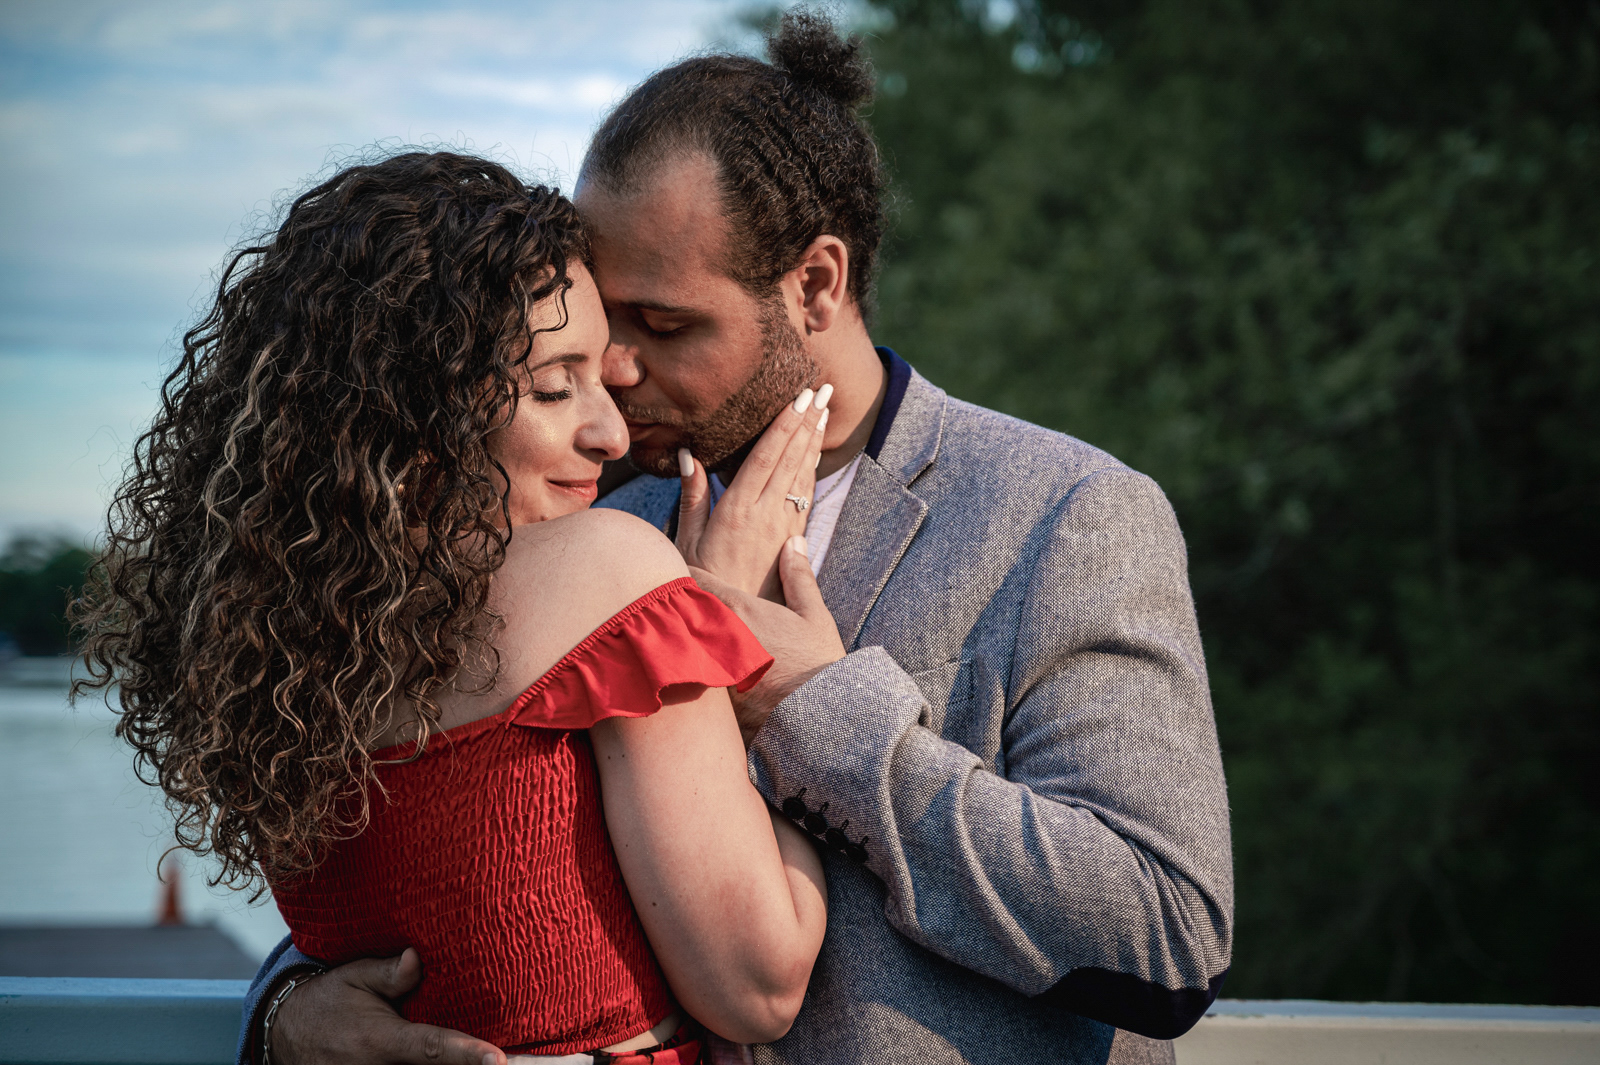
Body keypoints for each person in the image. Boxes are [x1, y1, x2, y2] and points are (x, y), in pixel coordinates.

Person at [242, 12, 1233, 1065]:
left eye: (662, 326)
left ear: (815, 285)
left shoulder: (1063, 513)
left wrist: (823, 714)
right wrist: (287, 1007)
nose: (615, 373)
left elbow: (1165, 935)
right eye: (600, 324)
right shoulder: (591, 516)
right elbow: (441, 839)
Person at [72, 151, 829, 1064]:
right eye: (555, 386)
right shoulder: (611, 571)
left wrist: (282, 1012)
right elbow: (761, 983)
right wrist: (759, 653)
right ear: (413, 408)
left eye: (605, 378)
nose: (612, 432)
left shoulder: (275, 646)